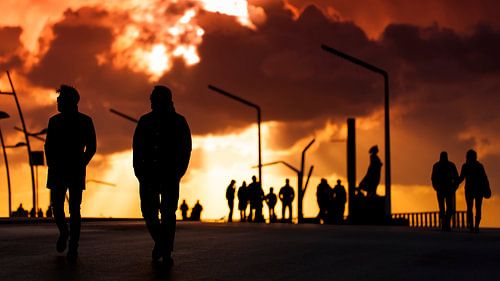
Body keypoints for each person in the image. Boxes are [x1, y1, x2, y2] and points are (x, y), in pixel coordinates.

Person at [133, 85, 192, 266]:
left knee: (167, 213)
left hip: (169, 174)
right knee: (148, 212)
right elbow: (137, 148)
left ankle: (165, 251)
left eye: (154, 99)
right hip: (148, 175)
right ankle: (162, 244)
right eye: (151, 99)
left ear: (164, 100)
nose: (151, 102)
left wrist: (178, 171)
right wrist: (139, 171)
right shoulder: (144, 121)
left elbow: (186, 148)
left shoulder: (179, 121)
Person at [45, 85, 96, 261]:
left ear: (70, 101)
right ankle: (64, 231)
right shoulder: (54, 121)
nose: (58, 102)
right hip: (57, 169)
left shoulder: (85, 121)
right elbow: (48, 145)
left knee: (74, 209)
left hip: (75, 169)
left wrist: (83, 162)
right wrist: (51, 163)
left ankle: (73, 245)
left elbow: (92, 146)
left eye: (60, 100)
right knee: (56, 207)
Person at [458, 149, 490, 233]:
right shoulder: (479, 166)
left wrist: (453, 184)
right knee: (478, 208)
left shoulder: (465, 166)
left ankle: (472, 226)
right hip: (479, 190)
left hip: (469, 190)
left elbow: (461, 178)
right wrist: (487, 188)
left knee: (469, 208)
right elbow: (485, 178)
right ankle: (476, 226)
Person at [431, 151, 459, 231]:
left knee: (448, 208)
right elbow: (433, 178)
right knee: (443, 208)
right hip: (442, 189)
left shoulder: (441, 165)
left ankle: (446, 224)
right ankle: (445, 224)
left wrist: (454, 187)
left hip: (447, 189)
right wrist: (436, 187)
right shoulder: (439, 166)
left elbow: (456, 178)